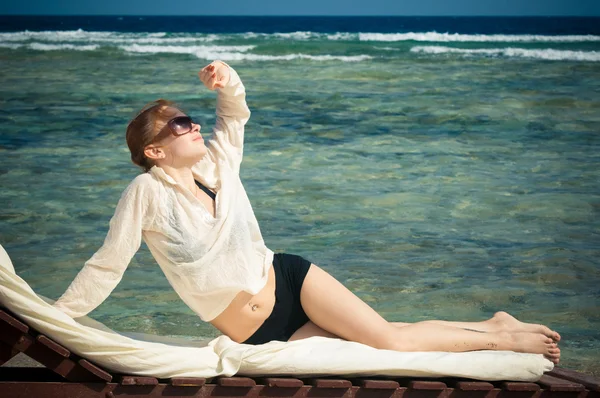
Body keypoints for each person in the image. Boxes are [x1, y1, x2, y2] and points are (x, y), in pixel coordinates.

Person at [53, 60, 561, 364]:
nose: (192, 127)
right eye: (180, 124)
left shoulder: (218, 163)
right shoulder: (145, 193)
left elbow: (235, 114)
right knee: (384, 343)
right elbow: (108, 263)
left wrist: (227, 81)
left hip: (289, 278)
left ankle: (507, 337)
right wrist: (56, 319)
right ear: (155, 152)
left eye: (189, 119)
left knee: (385, 337)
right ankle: (495, 328)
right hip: (256, 330)